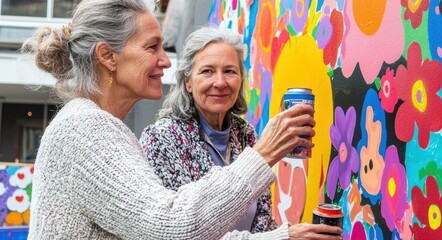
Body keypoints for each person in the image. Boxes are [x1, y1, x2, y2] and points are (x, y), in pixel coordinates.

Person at [22, 0, 340, 239]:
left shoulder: (97, 126)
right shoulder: (85, 129)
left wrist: (283, 234)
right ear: (108, 56)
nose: (165, 61)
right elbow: (174, 227)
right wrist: (263, 155)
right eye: (152, 47)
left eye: (230, 71)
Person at [139, 26, 336, 239]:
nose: (220, 82)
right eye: (207, 71)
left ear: (241, 79)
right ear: (188, 82)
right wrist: (284, 237)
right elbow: (182, 233)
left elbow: (261, 225)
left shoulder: (245, 134)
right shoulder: (161, 139)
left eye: (230, 71)